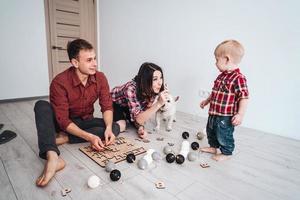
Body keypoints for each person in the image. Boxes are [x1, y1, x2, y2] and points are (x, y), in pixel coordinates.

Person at [34, 39, 120, 187]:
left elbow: (106, 106)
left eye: (94, 58)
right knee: (41, 106)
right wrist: (89, 136)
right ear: (75, 63)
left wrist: (107, 128)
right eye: (89, 60)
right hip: (63, 123)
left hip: (85, 121)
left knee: (114, 127)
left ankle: (65, 139)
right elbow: (62, 120)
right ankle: (53, 157)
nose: (95, 63)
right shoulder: (59, 82)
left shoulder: (100, 77)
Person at [200, 40, 249, 161]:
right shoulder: (221, 76)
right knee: (210, 130)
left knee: (223, 134)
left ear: (227, 59)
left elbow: (244, 97)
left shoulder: (239, 78)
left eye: (217, 60)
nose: (215, 63)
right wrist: (207, 100)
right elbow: (216, 92)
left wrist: (240, 114)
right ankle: (213, 146)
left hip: (226, 116)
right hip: (214, 112)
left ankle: (226, 152)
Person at [111, 62, 169, 139]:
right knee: (122, 126)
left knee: (137, 120)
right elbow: (139, 119)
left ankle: (127, 118)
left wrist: (140, 127)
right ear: (145, 80)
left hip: (128, 106)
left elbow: (143, 112)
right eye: (155, 79)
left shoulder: (153, 89)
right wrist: (158, 103)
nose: (160, 83)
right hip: (115, 102)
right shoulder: (130, 89)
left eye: (161, 78)